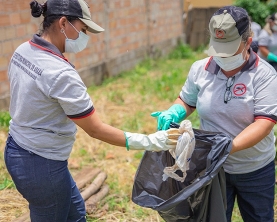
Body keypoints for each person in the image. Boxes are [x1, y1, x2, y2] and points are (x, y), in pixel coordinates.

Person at [4, 0, 179, 221]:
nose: (85, 36)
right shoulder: (60, 73)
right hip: (41, 163)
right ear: (64, 23)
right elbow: (95, 129)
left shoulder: (23, 50)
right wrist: (151, 141)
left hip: (18, 148)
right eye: (83, 29)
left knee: (76, 213)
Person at [151, 6, 277, 222]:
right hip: (213, 167)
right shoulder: (200, 69)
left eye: (229, 49)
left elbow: (264, 123)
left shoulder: (264, 76)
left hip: (254, 167)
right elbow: (187, 100)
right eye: (218, 48)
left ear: (248, 42)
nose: (222, 55)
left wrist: (229, 147)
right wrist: (175, 111)